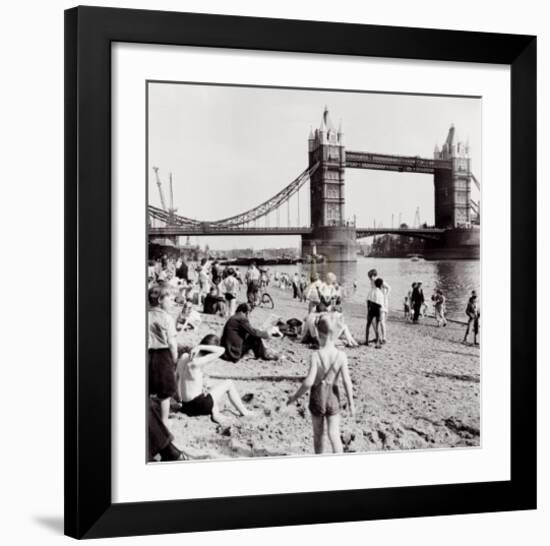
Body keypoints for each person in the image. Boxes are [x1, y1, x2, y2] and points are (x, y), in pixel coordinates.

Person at [287, 315, 355, 454]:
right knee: (334, 435)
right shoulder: (341, 355)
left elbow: (308, 382)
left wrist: (294, 397)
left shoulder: (316, 355)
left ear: (318, 333)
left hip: (317, 397)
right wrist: (351, 403)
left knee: (318, 435)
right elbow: (347, 382)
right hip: (333, 397)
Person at [177, 335, 254, 424]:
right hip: (198, 406)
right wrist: (200, 347)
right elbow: (222, 350)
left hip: (186, 406)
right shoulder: (197, 362)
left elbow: (177, 378)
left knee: (209, 390)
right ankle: (244, 412)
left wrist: (179, 399)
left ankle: (215, 412)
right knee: (228, 383)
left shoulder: (184, 356)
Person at [148, 285, 178, 426]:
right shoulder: (167, 318)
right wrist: (175, 358)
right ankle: (164, 420)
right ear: (160, 300)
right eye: (170, 299)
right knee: (164, 393)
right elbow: (172, 342)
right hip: (162, 354)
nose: (173, 302)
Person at [365, 278, 384, 348]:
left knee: (368, 325)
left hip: (371, 307)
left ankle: (366, 341)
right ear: (381, 285)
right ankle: (377, 342)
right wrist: (381, 314)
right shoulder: (381, 293)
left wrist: (368, 309)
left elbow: (367, 300)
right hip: (378, 308)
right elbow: (381, 305)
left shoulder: (371, 291)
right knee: (377, 326)